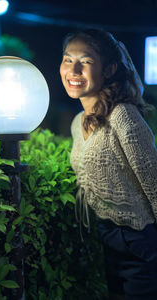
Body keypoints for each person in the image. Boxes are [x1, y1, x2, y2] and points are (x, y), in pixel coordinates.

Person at [59, 28, 157, 300]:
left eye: (86, 61)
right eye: (68, 60)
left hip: (141, 240)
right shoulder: (77, 123)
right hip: (107, 238)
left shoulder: (123, 116)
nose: (74, 69)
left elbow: (154, 181)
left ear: (109, 69)